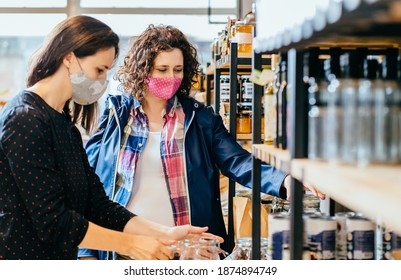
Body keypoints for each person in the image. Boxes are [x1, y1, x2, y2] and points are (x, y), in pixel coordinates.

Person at [78, 24, 325, 260]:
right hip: (127, 250)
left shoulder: (200, 119)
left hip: (190, 252)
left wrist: (284, 179)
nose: (171, 77)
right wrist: (86, 253)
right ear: (143, 70)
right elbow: (86, 187)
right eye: (162, 70)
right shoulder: (114, 117)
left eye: (178, 70)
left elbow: (238, 161)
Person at [0, 15, 222, 260]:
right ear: (68, 58)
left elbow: (97, 205)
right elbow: (54, 221)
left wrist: (165, 233)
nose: (103, 80)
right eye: (99, 69)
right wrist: (130, 245)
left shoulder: (63, 124)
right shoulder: (24, 119)